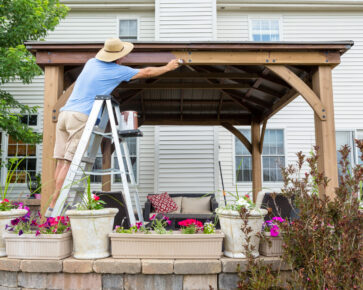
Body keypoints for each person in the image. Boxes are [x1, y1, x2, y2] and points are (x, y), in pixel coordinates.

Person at [45, 38, 180, 217]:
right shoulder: (117, 70)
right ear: (119, 57)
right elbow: (146, 72)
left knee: (61, 161)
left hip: (65, 114)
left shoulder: (91, 62)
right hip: (80, 116)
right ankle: (55, 203)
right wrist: (168, 67)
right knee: (70, 163)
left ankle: (54, 202)